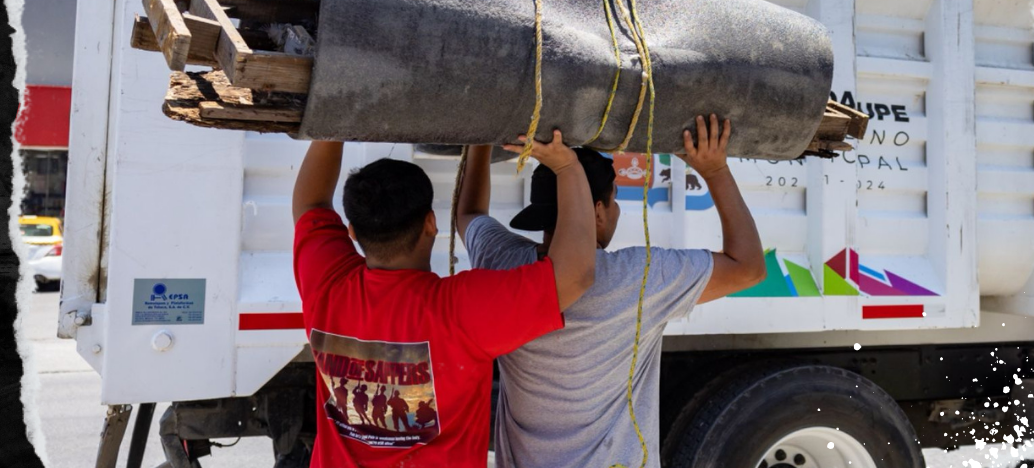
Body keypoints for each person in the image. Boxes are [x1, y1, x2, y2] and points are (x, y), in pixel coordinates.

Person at [456, 115, 766, 468]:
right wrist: (714, 171)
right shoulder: (638, 277)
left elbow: (468, 213)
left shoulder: (503, 264)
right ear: (598, 213)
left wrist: (478, 135)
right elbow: (749, 267)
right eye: (614, 199)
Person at [292, 131, 596, 466]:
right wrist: (568, 166)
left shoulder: (328, 285)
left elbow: (311, 204)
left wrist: (333, 117)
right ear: (431, 223)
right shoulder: (461, 309)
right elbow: (575, 275)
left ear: (351, 231)